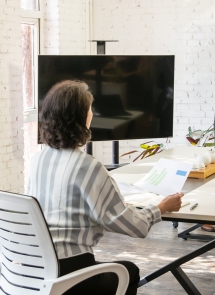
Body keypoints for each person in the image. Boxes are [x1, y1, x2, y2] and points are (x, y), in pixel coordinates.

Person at [26, 80, 183, 295]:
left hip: (32, 269)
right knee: (128, 271)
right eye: (89, 109)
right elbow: (133, 226)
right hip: (69, 272)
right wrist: (162, 207)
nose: (92, 113)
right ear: (82, 118)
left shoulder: (38, 160)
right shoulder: (88, 168)